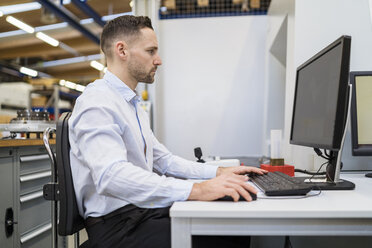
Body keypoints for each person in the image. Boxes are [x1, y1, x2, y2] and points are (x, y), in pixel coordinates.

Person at [69, 15, 267, 248]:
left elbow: (165, 162)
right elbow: (111, 176)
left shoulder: (130, 105)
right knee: (223, 239)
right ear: (122, 50)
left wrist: (218, 173)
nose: (159, 60)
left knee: (231, 219)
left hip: (139, 213)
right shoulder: (97, 102)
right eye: (151, 51)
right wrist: (197, 190)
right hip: (116, 228)